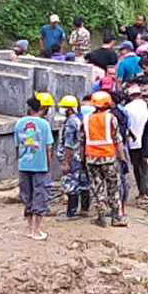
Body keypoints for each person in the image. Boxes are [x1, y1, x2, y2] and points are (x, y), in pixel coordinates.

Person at [83, 91, 127, 227]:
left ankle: (101, 216)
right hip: (109, 158)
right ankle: (117, 218)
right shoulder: (110, 118)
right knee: (113, 187)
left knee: (98, 188)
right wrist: (123, 158)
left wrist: (83, 158)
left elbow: (82, 140)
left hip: (91, 158)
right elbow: (117, 140)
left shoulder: (86, 119)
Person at [14, 98, 54, 241]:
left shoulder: (19, 123)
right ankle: (37, 230)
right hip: (41, 165)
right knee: (40, 196)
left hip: (24, 164)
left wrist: (19, 162)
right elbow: (49, 147)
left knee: (27, 197)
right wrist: (49, 166)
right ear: (41, 109)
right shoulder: (44, 124)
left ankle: (29, 229)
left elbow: (17, 146)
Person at [59, 98, 91, 218]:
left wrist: (67, 162)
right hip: (80, 157)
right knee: (83, 183)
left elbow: (69, 144)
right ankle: (84, 209)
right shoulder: (79, 120)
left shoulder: (71, 122)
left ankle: (71, 213)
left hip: (73, 158)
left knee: (71, 184)